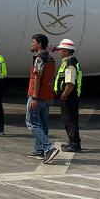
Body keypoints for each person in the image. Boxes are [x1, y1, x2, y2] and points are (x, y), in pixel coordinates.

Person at [26, 34, 59, 164]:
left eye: (33, 42)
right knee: (43, 123)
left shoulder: (39, 58)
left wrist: (34, 96)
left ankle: (48, 147)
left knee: (31, 123)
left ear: (39, 44)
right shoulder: (50, 58)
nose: (31, 44)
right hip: (48, 96)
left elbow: (38, 77)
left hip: (38, 96)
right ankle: (40, 150)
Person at [55, 39, 82, 153]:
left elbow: (70, 84)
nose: (59, 51)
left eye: (60, 49)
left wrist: (64, 96)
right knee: (71, 119)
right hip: (70, 96)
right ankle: (73, 142)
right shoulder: (69, 62)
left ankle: (74, 144)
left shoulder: (70, 65)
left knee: (69, 120)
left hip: (68, 96)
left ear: (67, 51)